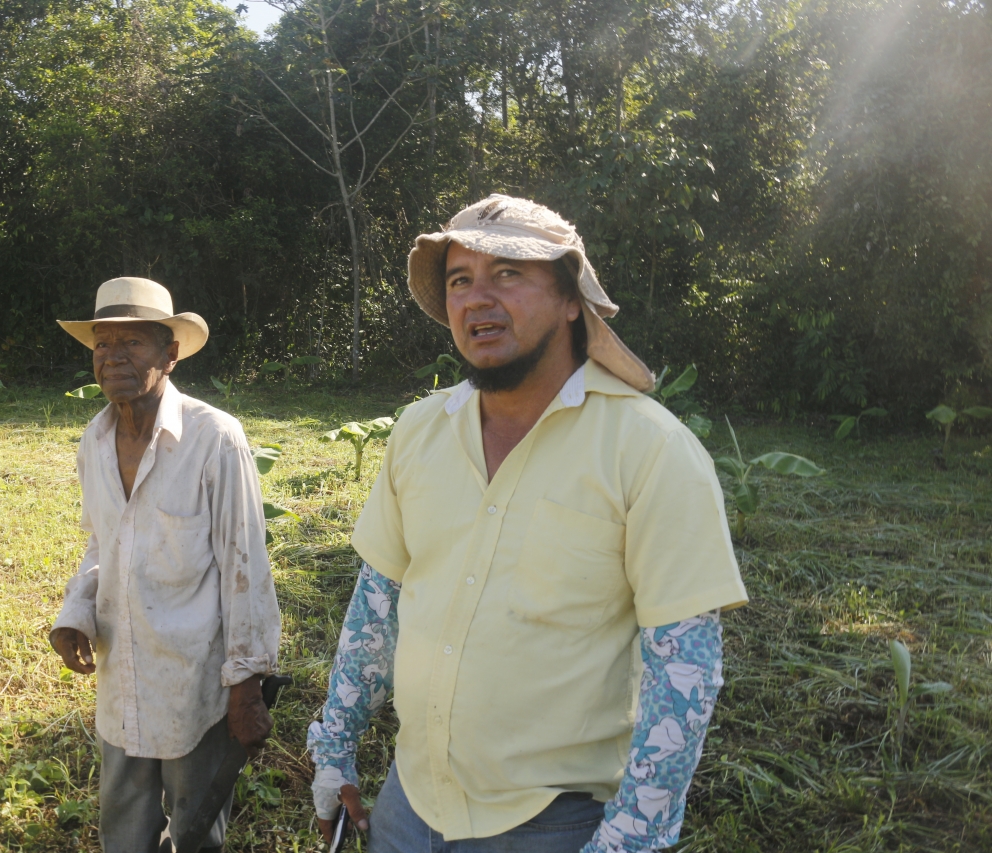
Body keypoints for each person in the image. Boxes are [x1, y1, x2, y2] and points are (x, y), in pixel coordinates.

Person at [308, 195, 749, 853]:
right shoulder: (419, 431)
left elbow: (683, 668)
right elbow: (379, 604)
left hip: (552, 825)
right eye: (460, 279)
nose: (477, 298)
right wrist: (335, 746)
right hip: (408, 803)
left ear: (572, 298)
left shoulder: (651, 450)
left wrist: (629, 837)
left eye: (508, 273)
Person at [50, 277, 281, 853]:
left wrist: (247, 686)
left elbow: (244, 563)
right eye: (103, 344)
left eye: (133, 343)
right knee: (123, 831)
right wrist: (76, 611)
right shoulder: (94, 442)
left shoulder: (214, 439)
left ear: (170, 354)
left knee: (196, 832)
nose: (113, 358)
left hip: (196, 683)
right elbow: (104, 542)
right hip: (122, 675)